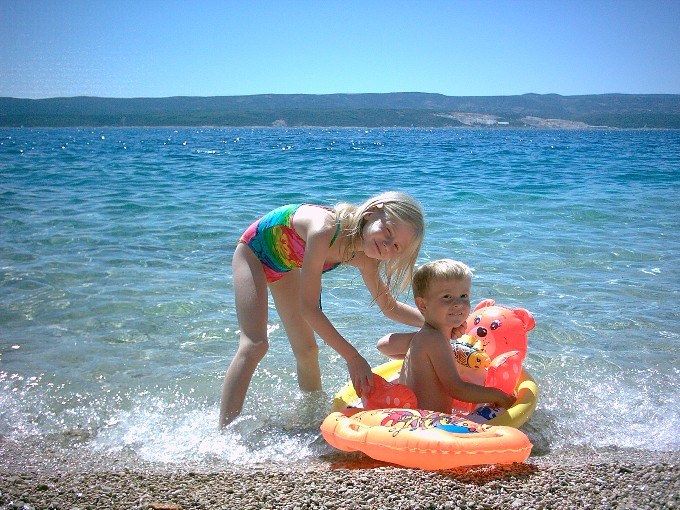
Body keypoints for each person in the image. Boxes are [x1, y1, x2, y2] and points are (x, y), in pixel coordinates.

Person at [220, 191, 426, 428]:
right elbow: (308, 308)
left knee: (308, 351)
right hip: (253, 253)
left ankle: (311, 420)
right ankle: (226, 432)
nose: (387, 245)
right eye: (388, 231)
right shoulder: (324, 229)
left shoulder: (366, 258)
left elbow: (389, 307)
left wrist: (437, 322)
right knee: (255, 344)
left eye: (396, 246)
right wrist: (353, 357)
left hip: (286, 265)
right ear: (371, 213)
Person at [391, 259, 515, 413]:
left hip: (419, 417)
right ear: (423, 305)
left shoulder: (428, 336)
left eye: (464, 295)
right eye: (447, 297)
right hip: (428, 424)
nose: (458, 303)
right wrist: (499, 396)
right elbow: (457, 389)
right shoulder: (434, 340)